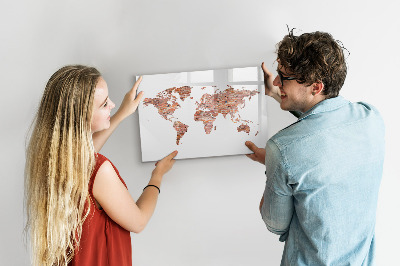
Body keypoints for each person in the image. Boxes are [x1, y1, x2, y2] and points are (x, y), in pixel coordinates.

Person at [245, 30, 385, 265]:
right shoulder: (371, 118)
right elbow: (325, 124)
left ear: (316, 87)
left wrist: (273, 162)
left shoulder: (282, 149)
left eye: (284, 77)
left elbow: (275, 224)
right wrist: (278, 94)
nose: (277, 81)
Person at [24, 65, 177, 266]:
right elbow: (138, 221)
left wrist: (122, 113)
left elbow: (86, 156)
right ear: (81, 117)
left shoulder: (53, 159)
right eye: (105, 104)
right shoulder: (99, 170)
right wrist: (157, 175)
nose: (112, 104)